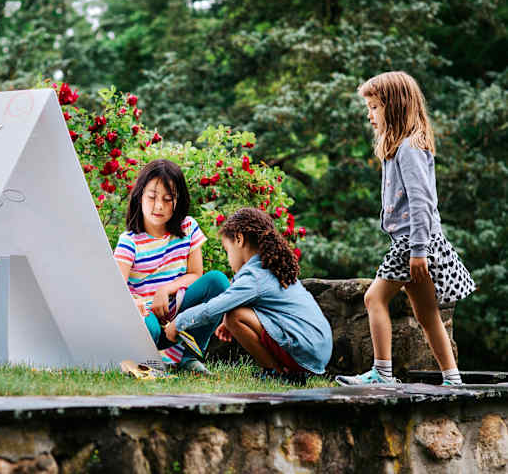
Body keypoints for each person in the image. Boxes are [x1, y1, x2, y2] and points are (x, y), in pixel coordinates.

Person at [335, 71, 475, 387]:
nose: (370, 115)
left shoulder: (410, 148)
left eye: (374, 107)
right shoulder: (400, 147)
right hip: (413, 240)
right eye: (368, 108)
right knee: (426, 314)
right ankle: (453, 379)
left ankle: (382, 374)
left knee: (374, 299)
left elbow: (421, 203)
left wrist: (419, 251)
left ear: (395, 107)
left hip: (413, 240)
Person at [163, 207, 333, 384]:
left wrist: (179, 322)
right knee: (233, 315)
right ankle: (290, 373)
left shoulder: (254, 277)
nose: (229, 260)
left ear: (239, 239)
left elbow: (211, 309)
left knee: (234, 316)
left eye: (227, 251)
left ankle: (276, 373)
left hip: (305, 349)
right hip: (317, 348)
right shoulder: (270, 269)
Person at [114, 159, 229, 374]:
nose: (159, 206)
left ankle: (190, 358)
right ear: (139, 195)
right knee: (146, 325)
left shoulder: (187, 227)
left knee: (218, 282)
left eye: (168, 199)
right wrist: (137, 303)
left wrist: (165, 289)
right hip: (146, 319)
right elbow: (115, 289)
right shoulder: (129, 241)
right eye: (152, 197)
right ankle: (148, 362)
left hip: (179, 315)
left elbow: (196, 274)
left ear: (178, 201)